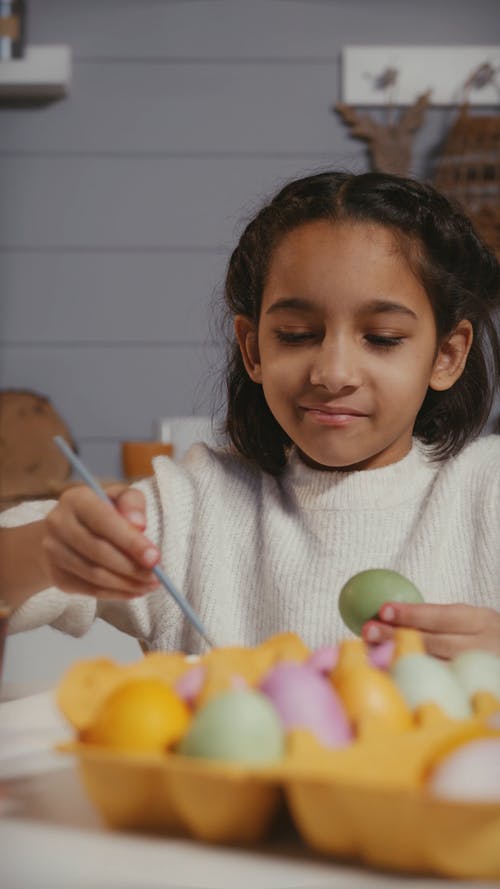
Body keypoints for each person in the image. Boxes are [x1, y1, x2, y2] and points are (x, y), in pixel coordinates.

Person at [1, 171, 499, 658]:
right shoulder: (189, 509)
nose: (333, 372)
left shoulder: (487, 494)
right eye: (297, 335)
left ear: (446, 356)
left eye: (382, 339)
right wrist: (47, 549)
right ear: (253, 350)